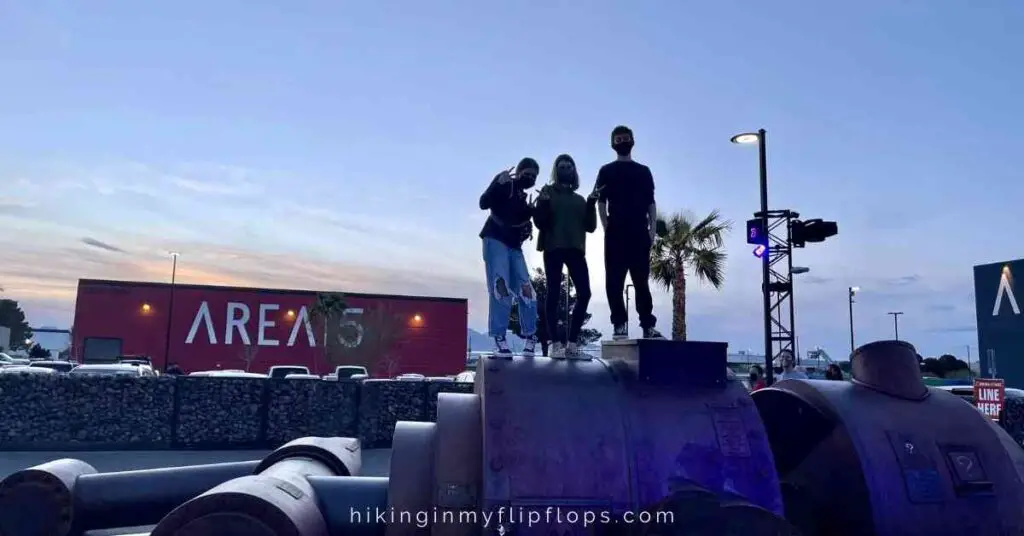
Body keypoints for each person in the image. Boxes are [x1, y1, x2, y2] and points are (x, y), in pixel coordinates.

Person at [595, 125, 664, 340]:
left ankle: (647, 325)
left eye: (626, 138)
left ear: (632, 140)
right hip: (616, 233)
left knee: (642, 281)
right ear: (612, 144)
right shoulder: (606, 171)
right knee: (614, 281)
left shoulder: (643, 171)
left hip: (639, 233)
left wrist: (652, 230)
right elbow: (601, 201)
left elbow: (651, 203)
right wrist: (606, 226)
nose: (622, 142)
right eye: (618, 140)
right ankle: (619, 324)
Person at [532, 154, 598, 360]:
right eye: (562, 166)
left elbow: (591, 227)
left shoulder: (579, 200)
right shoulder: (548, 192)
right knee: (553, 294)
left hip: (575, 249)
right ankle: (555, 344)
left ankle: (572, 343)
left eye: (569, 166)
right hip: (553, 247)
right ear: (556, 170)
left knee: (585, 293)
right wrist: (542, 204)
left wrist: (591, 203)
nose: (566, 169)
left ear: (574, 171)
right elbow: (540, 223)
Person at [479, 158, 540, 359]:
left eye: (533, 176)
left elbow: (523, 221)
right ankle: (499, 336)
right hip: (495, 238)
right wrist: (496, 185)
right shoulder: (505, 184)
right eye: (527, 173)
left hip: (514, 246)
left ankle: (530, 335)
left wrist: (532, 213)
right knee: (500, 286)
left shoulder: (523, 197)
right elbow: (483, 203)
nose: (529, 178)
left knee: (527, 292)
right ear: (519, 171)